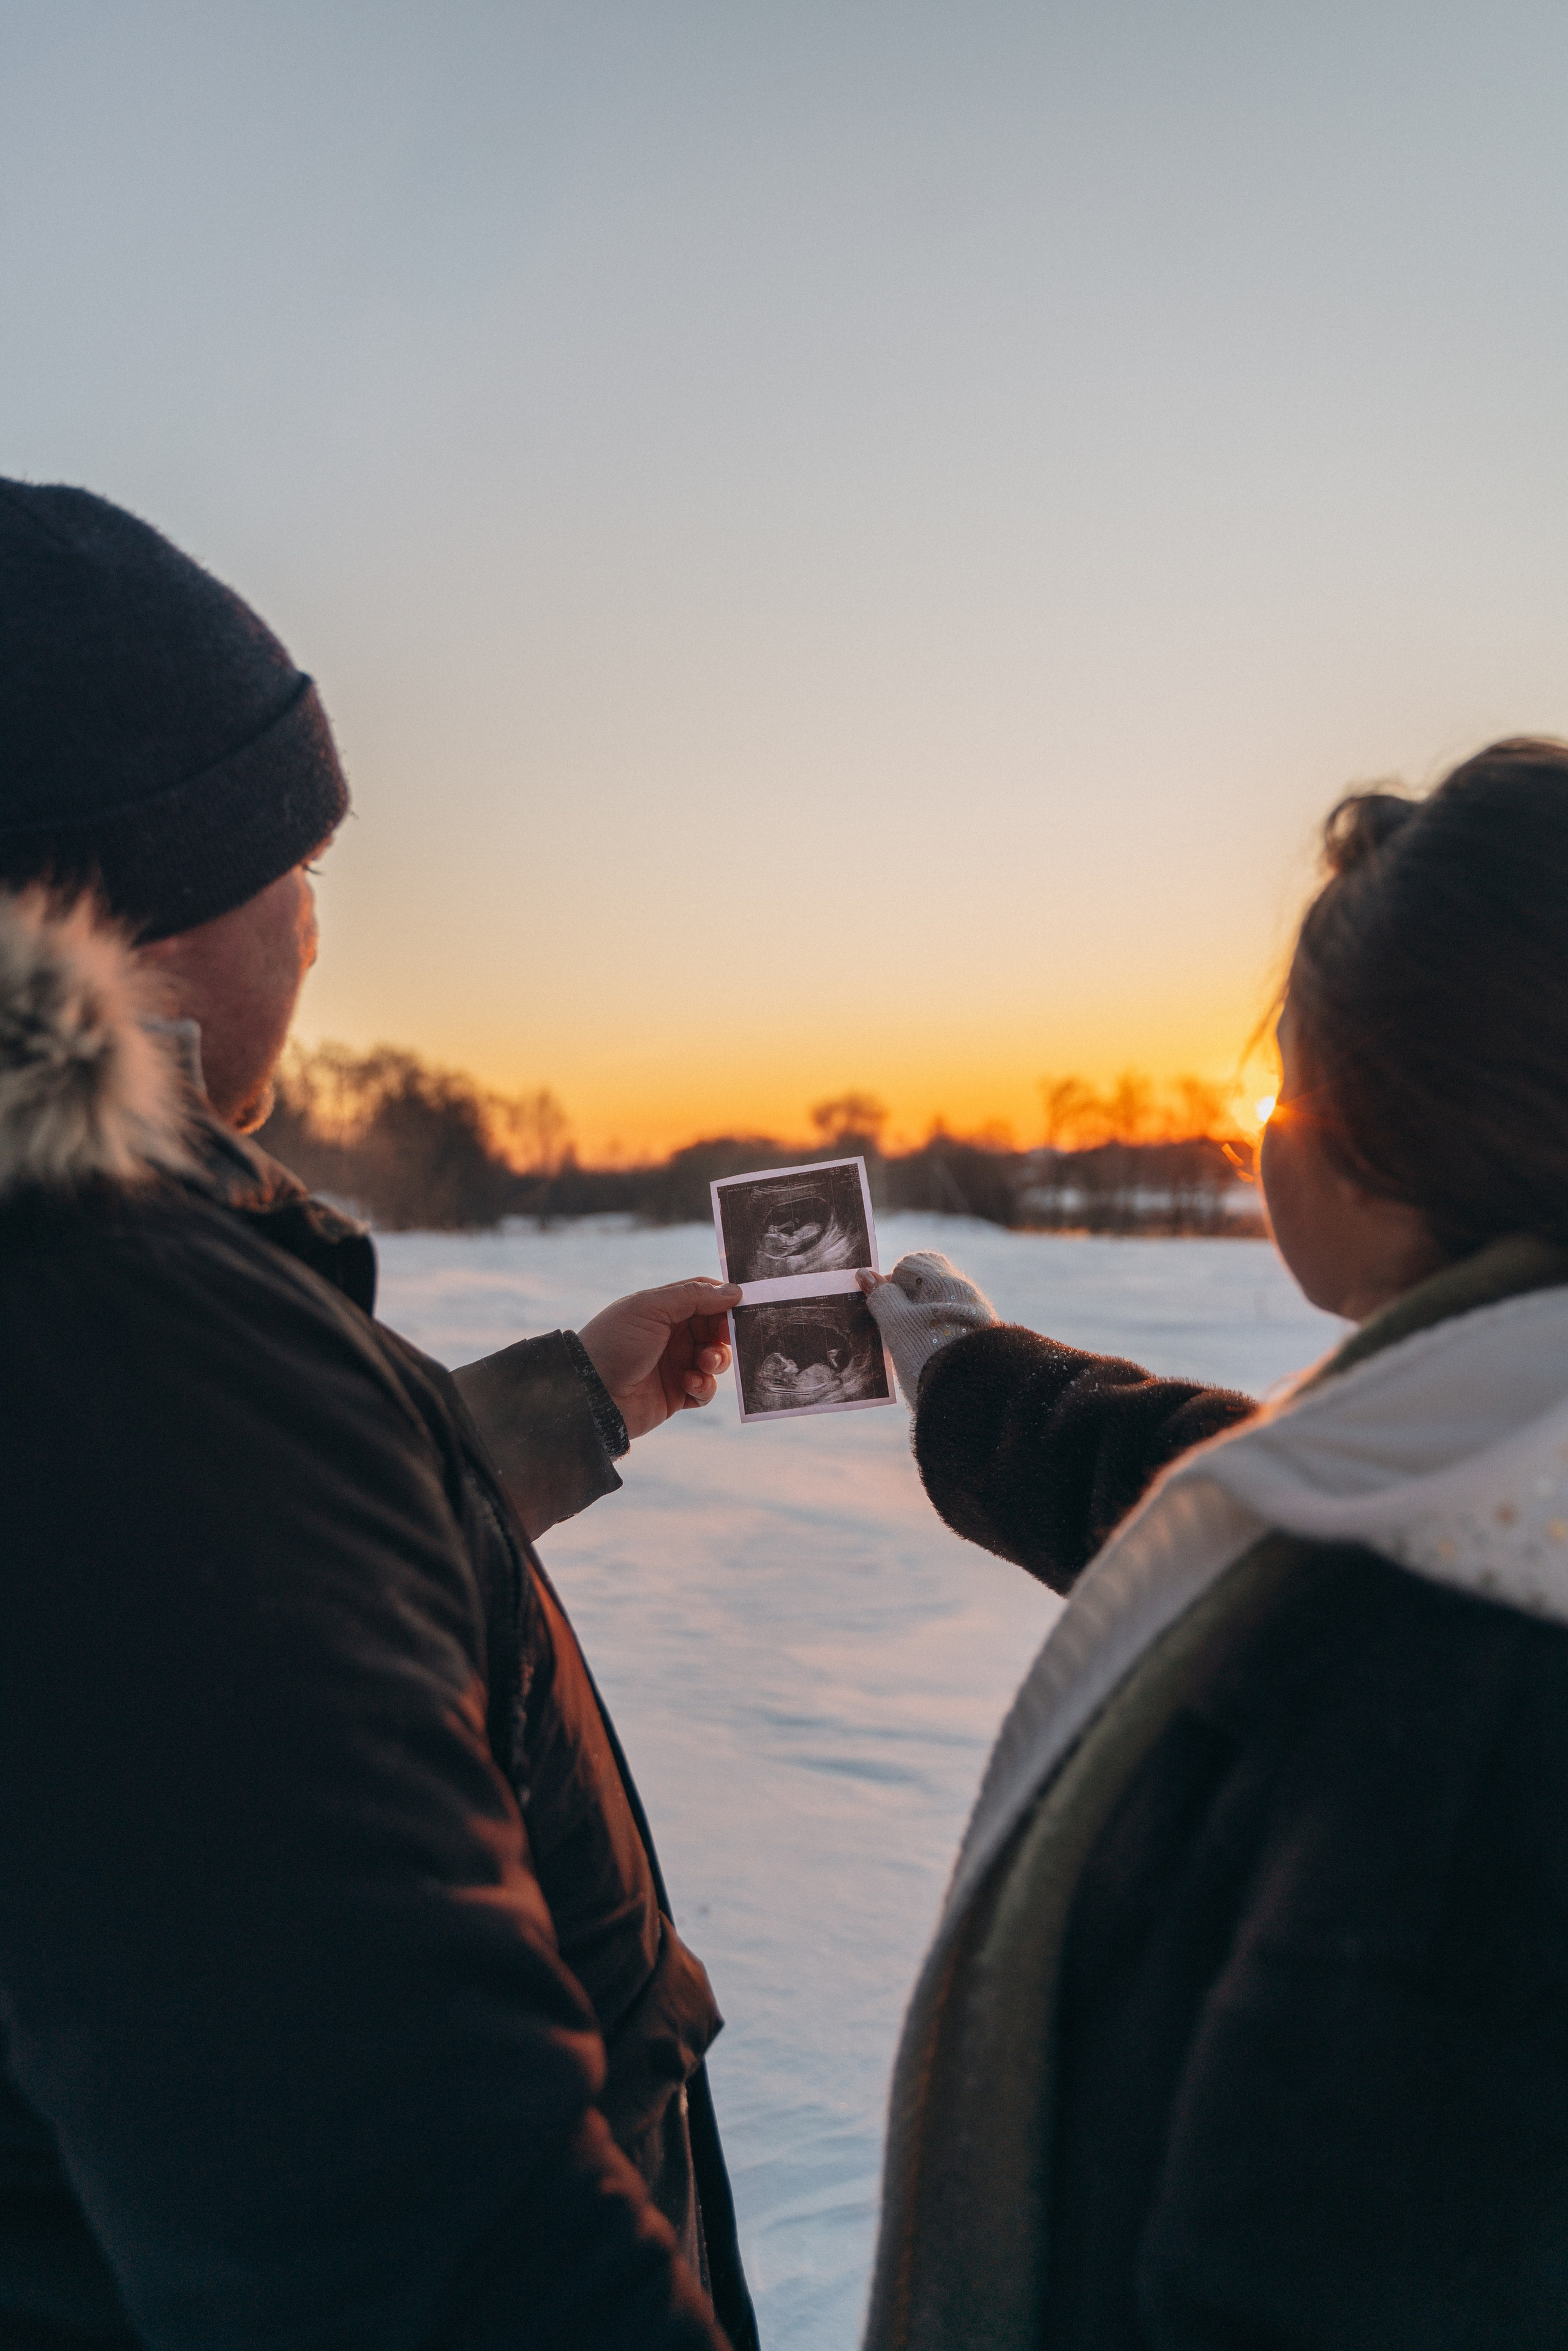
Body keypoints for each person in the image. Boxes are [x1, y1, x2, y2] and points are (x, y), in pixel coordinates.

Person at [0, 478, 758, 2350]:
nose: (321, 932)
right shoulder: (112, 1306)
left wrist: (570, 1405)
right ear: (140, 909)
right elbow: (412, 2228)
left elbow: (215, 1615)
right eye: (292, 861)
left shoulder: (98, 1299)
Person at [859, 737, 1568, 2350]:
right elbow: (1232, 1491)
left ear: (1404, 1139)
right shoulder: (1498, 1470)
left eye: (1295, 1080)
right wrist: (971, 1373)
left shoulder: (1468, 1711)